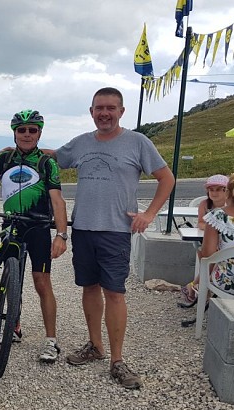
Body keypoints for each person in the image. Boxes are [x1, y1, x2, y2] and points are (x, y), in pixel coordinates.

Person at [55, 87, 174, 389]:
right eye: (99, 108)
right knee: (89, 288)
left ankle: (117, 361)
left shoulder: (137, 142)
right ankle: (95, 346)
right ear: (91, 111)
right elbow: (54, 159)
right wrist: (15, 150)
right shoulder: (81, 143)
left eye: (110, 108)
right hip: (83, 228)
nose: (104, 113)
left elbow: (167, 178)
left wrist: (149, 214)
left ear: (121, 111)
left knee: (115, 293)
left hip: (116, 231)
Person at [0, 109, 69, 363]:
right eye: (22, 130)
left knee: (42, 282)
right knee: (10, 273)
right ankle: (13, 324)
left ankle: (51, 341)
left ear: (39, 133)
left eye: (32, 130)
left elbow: (58, 201)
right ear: (15, 132)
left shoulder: (46, 163)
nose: (27, 134)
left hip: (38, 225)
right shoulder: (5, 158)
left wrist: (61, 235)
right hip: (11, 224)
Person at [178, 174, 229, 307]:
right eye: (211, 190)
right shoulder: (204, 204)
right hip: (209, 239)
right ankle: (201, 287)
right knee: (208, 255)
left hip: (224, 242)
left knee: (210, 259)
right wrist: (214, 228)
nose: (214, 193)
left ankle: (196, 286)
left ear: (227, 191)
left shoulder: (229, 205)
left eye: (218, 189)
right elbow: (200, 223)